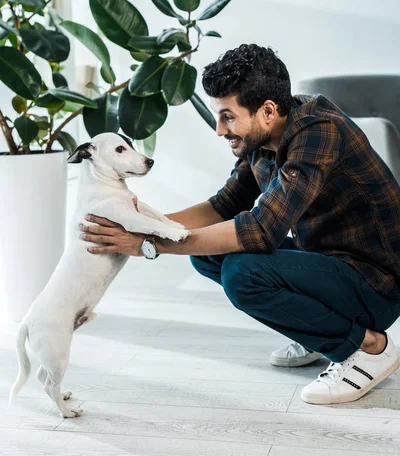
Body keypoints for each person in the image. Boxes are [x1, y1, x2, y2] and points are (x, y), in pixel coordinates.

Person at [80, 43, 400, 405]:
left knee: (242, 273)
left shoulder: (318, 132)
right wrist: (144, 225)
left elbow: (261, 228)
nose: (220, 130)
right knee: (206, 254)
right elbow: (225, 205)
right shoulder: (266, 132)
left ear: (266, 110)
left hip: (376, 284)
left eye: (227, 116)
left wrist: (148, 245)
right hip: (331, 263)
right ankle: (320, 330)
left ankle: (369, 347)